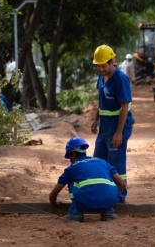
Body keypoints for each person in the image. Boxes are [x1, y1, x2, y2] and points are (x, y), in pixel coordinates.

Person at [91, 44, 134, 203]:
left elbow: (124, 107)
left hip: (119, 126)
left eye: (103, 65)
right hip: (105, 127)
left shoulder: (121, 79)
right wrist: (96, 119)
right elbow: (101, 101)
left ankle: (119, 198)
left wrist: (119, 133)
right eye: (98, 66)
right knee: (98, 161)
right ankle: (103, 194)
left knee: (116, 163)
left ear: (111, 62)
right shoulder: (101, 77)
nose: (100, 69)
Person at [49, 137, 126, 222]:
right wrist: (113, 199)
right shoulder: (102, 162)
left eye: (69, 157)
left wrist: (54, 204)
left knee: (72, 180)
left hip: (86, 203)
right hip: (109, 201)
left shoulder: (72, 168)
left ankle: (76, 213)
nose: (70, 160)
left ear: (73, 154)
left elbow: (53, 194)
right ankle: (108, 212)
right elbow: (122, 183)